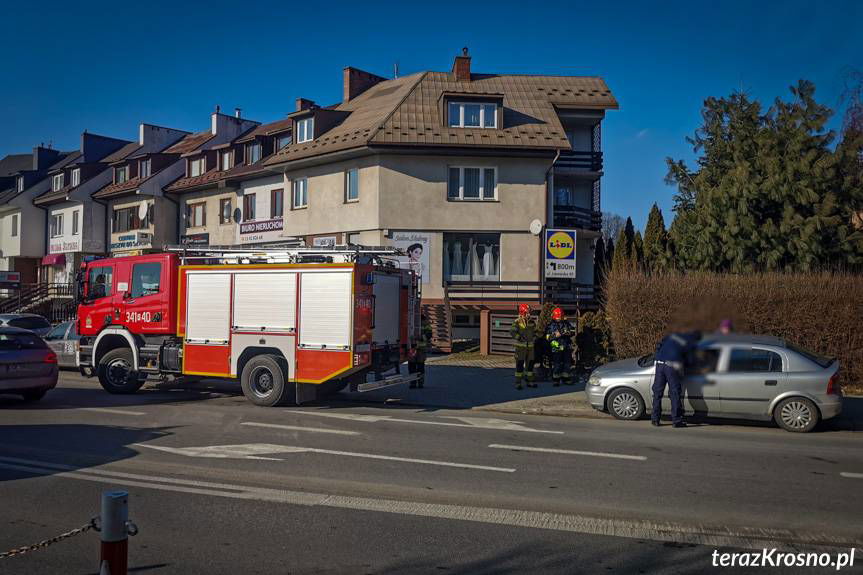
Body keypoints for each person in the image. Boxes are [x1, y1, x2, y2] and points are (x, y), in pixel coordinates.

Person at [652, 329, 701, 428]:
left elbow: (659, 345)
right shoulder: (690, 342)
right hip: (672, 367)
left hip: (659, 365)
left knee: (657, 393)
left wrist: (658, 357)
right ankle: (676, 420)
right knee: (675, 393)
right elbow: (690, 360)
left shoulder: (672, 334)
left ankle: (655, 419)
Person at [545, 307, 576, 386]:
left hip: (566, 346)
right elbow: (547, 337)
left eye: (561, 317)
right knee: (557, 364)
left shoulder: (566, 323)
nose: (559, 318)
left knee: (567, 363)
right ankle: (556, 379)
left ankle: (566, 378)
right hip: (556, 346)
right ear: (554, 317)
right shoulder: (550, 325)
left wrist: (569, 333)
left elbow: (573, 331)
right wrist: (555, 335)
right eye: (558, 317)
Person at [509, 304, 537, 389]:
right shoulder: (517, 321)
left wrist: (536, 337)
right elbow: (512, 332)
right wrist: (519, 337)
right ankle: (518, 383)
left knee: (530, 365)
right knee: (520, 365)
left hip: (531, 348)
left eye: (529, 312)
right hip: (521, 348)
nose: (529, 313)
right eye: (528, 312)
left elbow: (535, 332)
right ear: (523, 312)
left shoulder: (532, 322)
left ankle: (529, 381)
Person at [408, 313, 432, 389]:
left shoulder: (425, 322)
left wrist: (420, 338)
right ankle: (413, 383)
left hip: (421, 349)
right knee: (412, 366)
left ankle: (420, 383)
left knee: (420, 366)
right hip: (412, 348)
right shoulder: (410, 320)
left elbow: (429, 334)